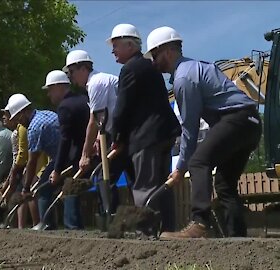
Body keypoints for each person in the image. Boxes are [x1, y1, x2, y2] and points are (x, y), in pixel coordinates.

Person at [144, 26, 262, 238]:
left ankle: (200, 223)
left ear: (168, 51)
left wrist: (180, 168)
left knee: (198, 162)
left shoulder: (184, 78)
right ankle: (239, 238)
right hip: (250, 123)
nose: (153, 61)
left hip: (236, 119)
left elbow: (189, 129)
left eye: (155, 55)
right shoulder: (194, 68)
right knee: (225, 185)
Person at [107, 24, 181, 232]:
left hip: (146, 137)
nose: (113, 51)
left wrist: (116, 137)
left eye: (116, 46)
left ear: (130, 45)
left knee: (144, 187)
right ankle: (167, 230)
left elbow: (122, 108)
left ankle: (146, 233)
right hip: (163, 134)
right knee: (162, 187)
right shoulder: (150, 66)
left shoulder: (130, 69)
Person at [64, 49, 125, 215]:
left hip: (124, 135)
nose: (71, 77)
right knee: (107, 176)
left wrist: (84, 155)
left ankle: (111, 217)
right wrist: (98, 139)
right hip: (117, 134)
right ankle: (112, 215)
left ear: (83, 68)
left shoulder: (97, 83)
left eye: (71, 72)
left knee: (105, 178)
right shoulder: (96, 84)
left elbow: (93, 121)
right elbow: (103, 118)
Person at [43, 70, 89, 229]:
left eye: (50, 90)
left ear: (58, 87)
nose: (49, 95)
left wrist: (57, 169)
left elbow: (65, 139)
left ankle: (73, 228)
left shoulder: (65, 107)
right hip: (95, 151)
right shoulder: (84, 99)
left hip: (79, 156)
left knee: (70, 189)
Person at [7, 94, 60, 229]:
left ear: (23, 112)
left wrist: (26, 187)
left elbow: (32, 161)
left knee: (42, 189)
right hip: (65, 153)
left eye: (18, 118)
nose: (19, 122)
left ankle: (47, 226)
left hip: (61, 157)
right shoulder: (47, 113)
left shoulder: (34, 128)